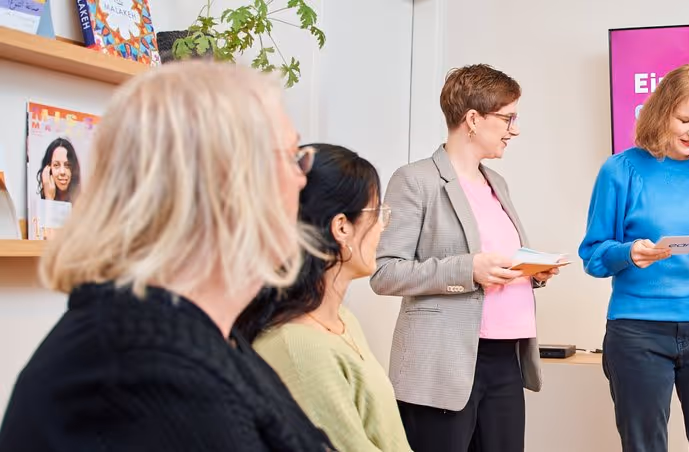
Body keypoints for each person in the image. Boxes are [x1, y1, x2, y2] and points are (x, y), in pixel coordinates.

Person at [0, 61, 334, 451]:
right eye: (292, 157)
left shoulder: (198, 336)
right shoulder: (147, 371)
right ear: (224, 184)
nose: (303, 178)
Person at [370, 63, 558, 452]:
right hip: (442, 364)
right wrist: (468, 269)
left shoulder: (497, 183)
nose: (514, 130)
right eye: (508, 118)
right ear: (472, 119)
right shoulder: (415, 180)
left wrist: (532, 272)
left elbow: (499, 261)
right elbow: (384, 272)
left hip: (506, 359)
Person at [578, 63, 689, 452]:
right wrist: (628, 253)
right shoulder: (620, 170)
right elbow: (593, 255)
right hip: (637, 332)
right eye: (685, 120)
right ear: (661, 113)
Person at [236, 144, 410, 452]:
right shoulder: (298, 348)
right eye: (376, 213)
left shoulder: (343, 319)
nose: (383, 225)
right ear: (341, 227)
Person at [38, 137, 81, 202]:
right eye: (56, 165)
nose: (62, 172)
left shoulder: (82, 200)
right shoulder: (40, 200)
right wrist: (49, 197)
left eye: (67, 165)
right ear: (48, 169)